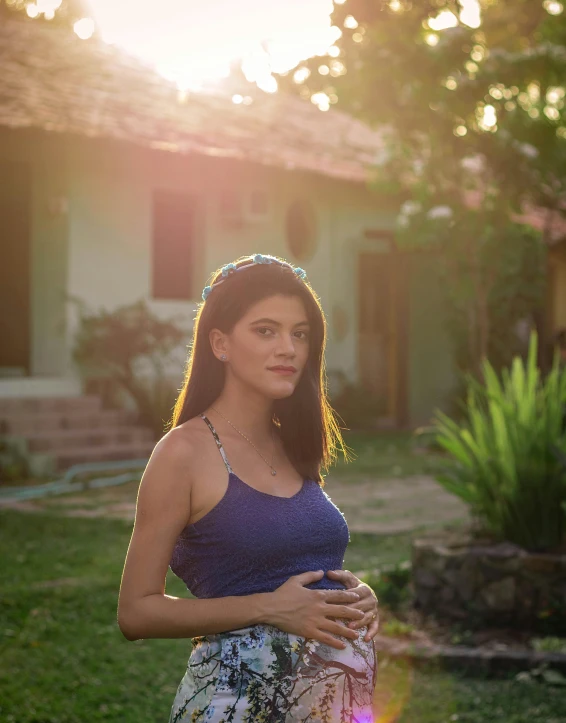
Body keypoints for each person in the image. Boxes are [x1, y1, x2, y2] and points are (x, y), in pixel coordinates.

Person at [117, 253, 379, 722]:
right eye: (266, 331)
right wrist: (270, 608)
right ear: (220, 343)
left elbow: (293, 561)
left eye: (300, 333)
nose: (289, 348)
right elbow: (136, 612)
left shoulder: (293, 444)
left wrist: (354, 595)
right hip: (237, 705)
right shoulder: (183, 453)